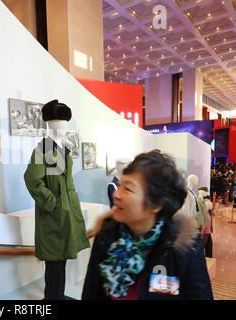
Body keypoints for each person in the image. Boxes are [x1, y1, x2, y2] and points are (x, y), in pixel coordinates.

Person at [82, 151, 213, 300]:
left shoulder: (183, 246)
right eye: (120, 186)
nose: (117, 195)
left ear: (156, 203)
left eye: (128, 189)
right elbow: (91, 293)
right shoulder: (107, 235)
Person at [24, 99, 89, 300]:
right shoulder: (43, 150)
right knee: (54, 262)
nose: (64, 128)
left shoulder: (61, 149)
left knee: (61, 261)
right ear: (50, 125)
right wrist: (53, 203)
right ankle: (52, 299)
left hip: (66, 215)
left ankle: (56, 296)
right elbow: (32, 179)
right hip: (54, 216)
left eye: (65, 124)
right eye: (60, 124)